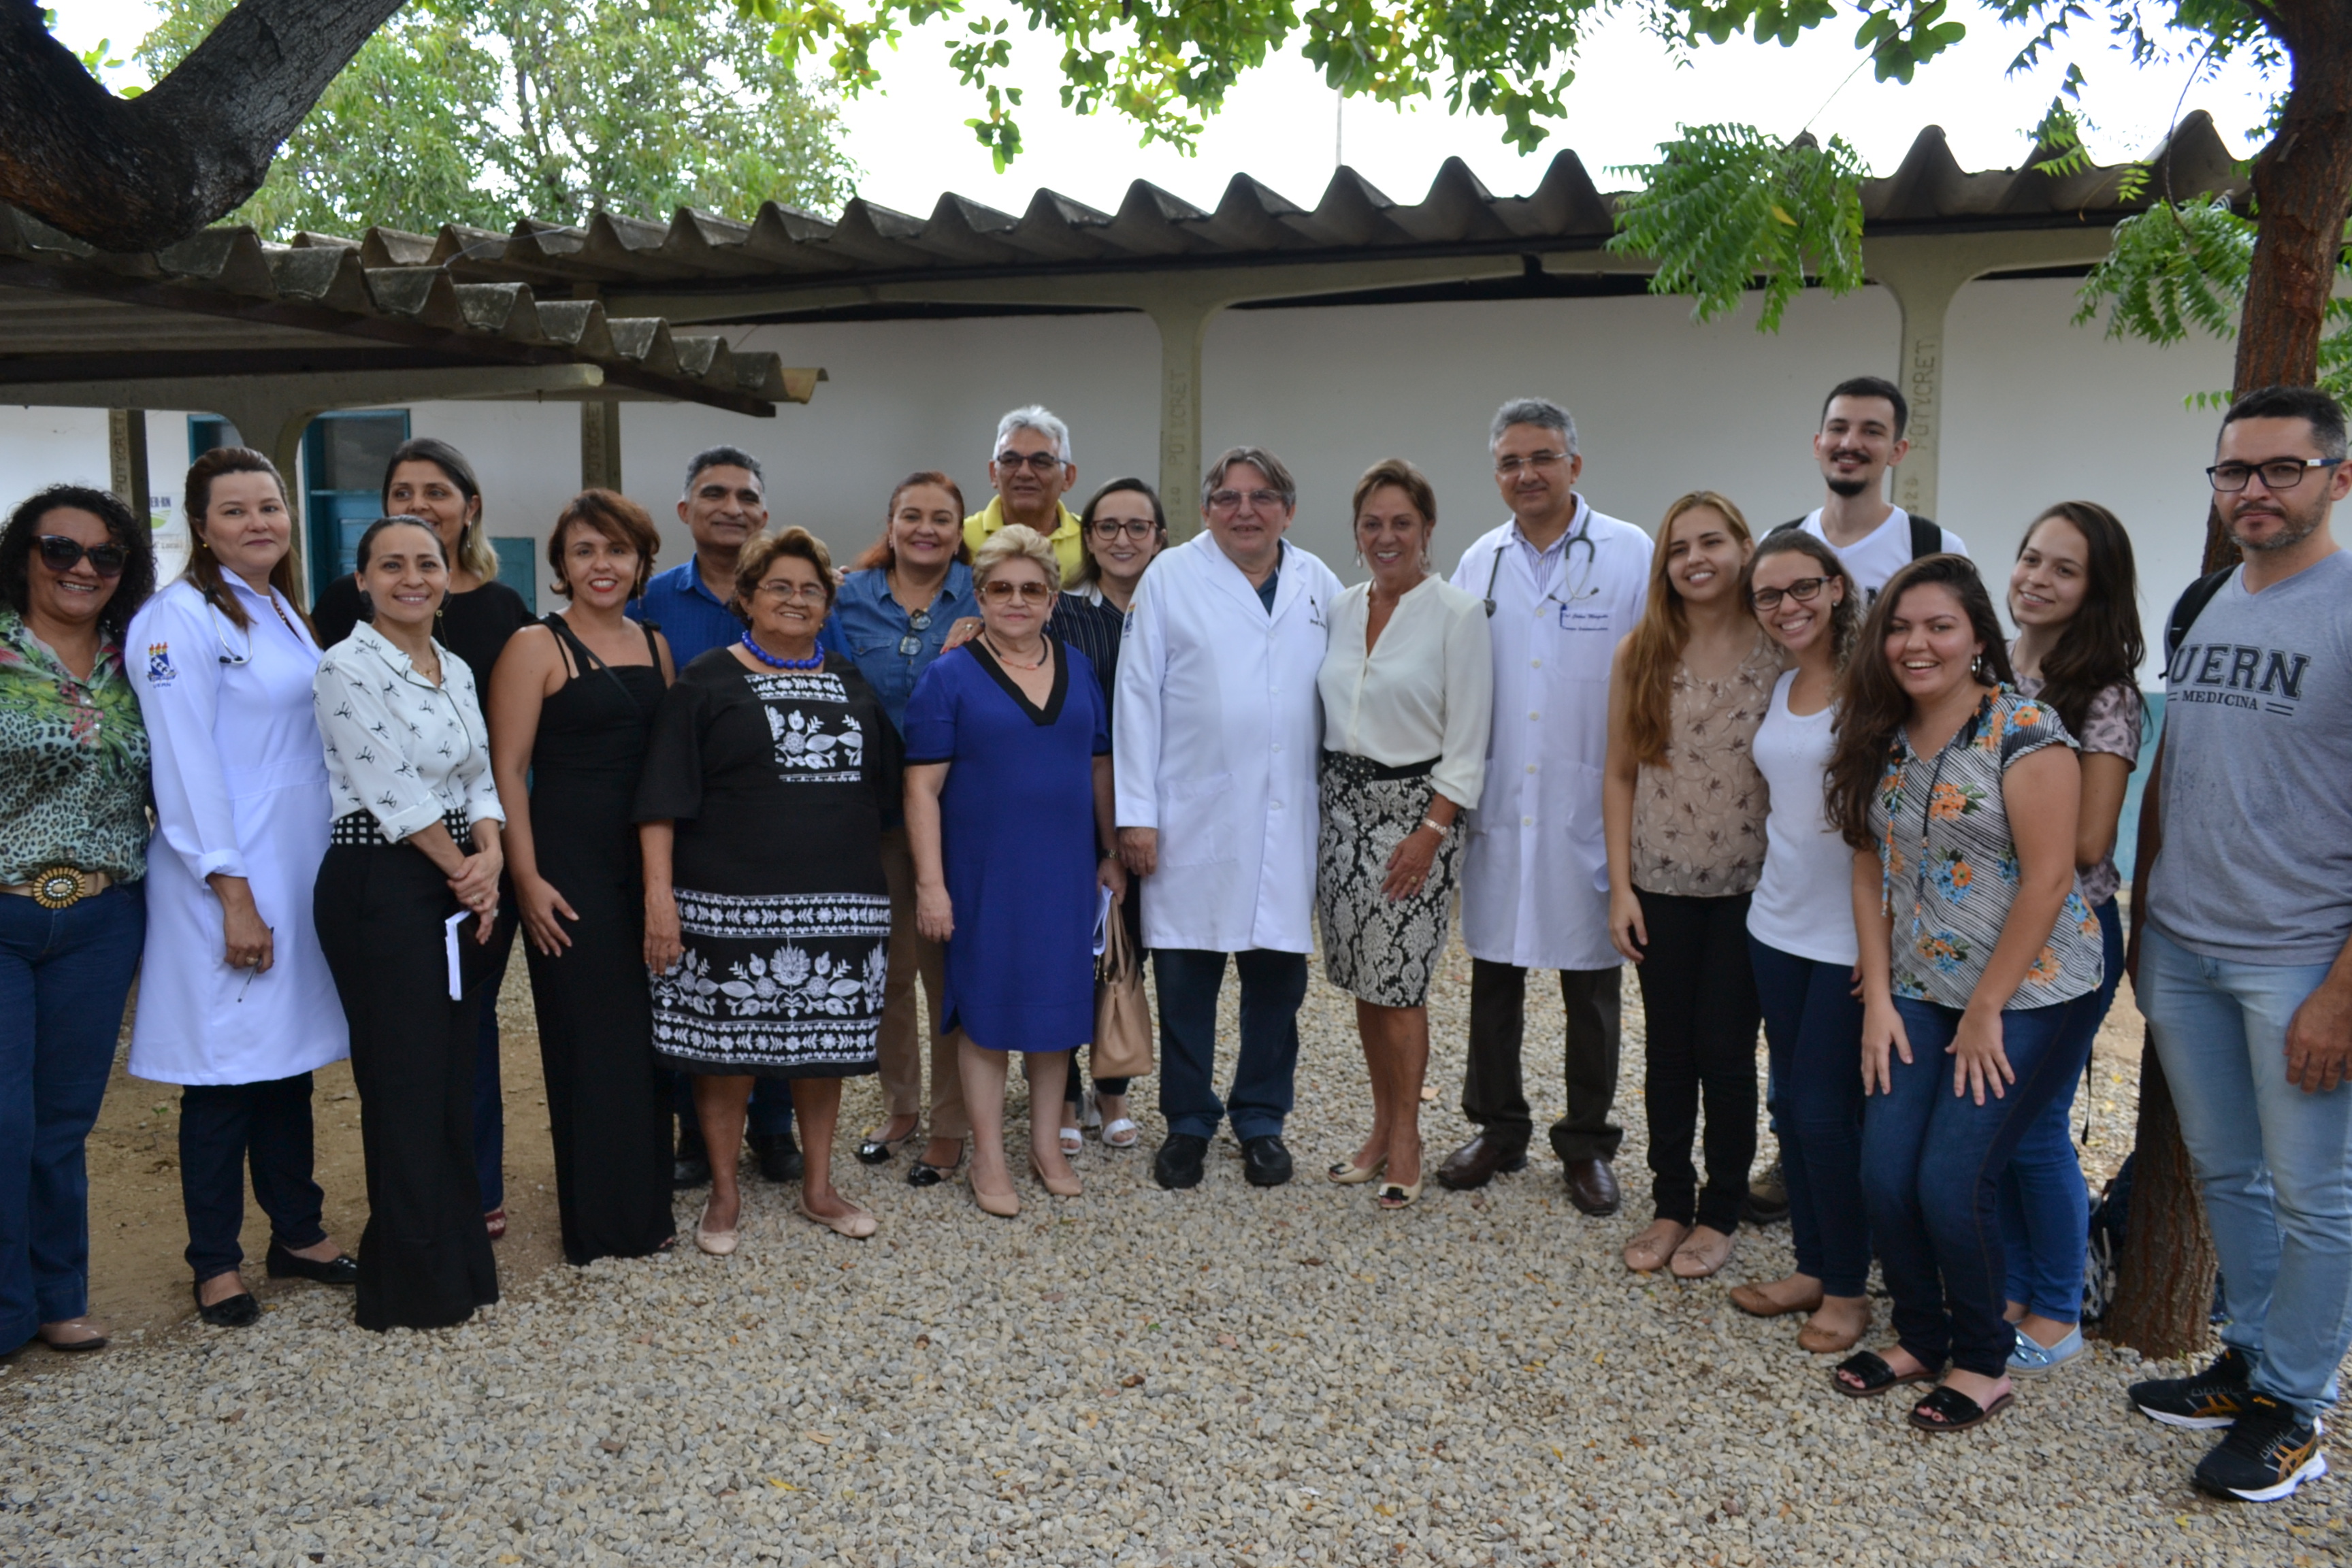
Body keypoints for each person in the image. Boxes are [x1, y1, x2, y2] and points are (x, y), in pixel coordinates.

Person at [2129, 385, 2352, 1503]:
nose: (2253, 490)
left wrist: (2342, 991)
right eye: (2233, 471)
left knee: (2322, 1196)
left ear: (2337, 478)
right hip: (2186, 944)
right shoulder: (2206, 599)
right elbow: (2175, 771)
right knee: (2231, 1174)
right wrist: (2142, 921)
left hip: (2302, 959)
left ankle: (2296, 1406)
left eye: (2280, 468)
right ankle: (2251, 1358)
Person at [1826, 554, 2104, 1434]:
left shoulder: (2026, 733)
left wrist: (1984, 1008)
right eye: (1900, 627)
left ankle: (1982, 1362)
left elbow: (2051, 879)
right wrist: (1876, 997)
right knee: (1883, 1171)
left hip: (2028, 995)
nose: (1918, 643)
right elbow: (1866, 861)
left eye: (1939, 625)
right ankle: (1919, 1333)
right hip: (1916, 985)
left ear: (1977, 635)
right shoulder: (1877, 730)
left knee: (1953, 1182)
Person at [127, 450, 355, 1330]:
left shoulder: (279, 611)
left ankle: (296, 1230)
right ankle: (214, 1261)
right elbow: (183, 769)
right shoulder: (175, 620)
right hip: (226, 875)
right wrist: (232, 892)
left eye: (270, 506)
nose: (258, 522)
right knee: (223, 1078)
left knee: (285, 1065)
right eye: (235, 511)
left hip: (294, 869)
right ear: (200, 523)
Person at [636, 528, 898, 1252]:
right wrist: (661, 899)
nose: (796, 599)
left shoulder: (849, 680)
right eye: (778, 586)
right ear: (746, 598)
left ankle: (818, 1187)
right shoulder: (704, 680)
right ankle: (724, 1194)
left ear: (827, 605)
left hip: (840, 902)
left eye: (811, 589)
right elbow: (662, 797)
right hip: (725, 905)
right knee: (726, 1053)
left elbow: (886, 793)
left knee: (824, 1049)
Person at [312, 438, 532, 1242]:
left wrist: (492, 857)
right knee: (402, 1073)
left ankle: (458, 1229)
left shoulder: (454, 666)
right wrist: (469, 874)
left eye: (427, 566)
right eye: (393, 566)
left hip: (456, 876)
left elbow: (479, 773)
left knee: (451, 1061)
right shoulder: (345, 666)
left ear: (450, 574)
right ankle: (411, 1254)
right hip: (382, 880)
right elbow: (394, 794)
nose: (412, 580)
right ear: (362, 580)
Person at [1441, 398, 1652, 1213]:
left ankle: (1589, 1143)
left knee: (1591, 987)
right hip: (1502, 801)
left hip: (1592, 801)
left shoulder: (1629, 553)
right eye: (1508, 462)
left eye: (1541, 457)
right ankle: (1498, 1128)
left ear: (1575, 465)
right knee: (1494, 978)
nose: (1525, 474)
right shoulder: (1480, 560)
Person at [1116, 446, 1341, 1191]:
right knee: (1186, 980)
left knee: (1277, 986)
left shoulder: (1319, 584)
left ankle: (1261, 1120)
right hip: (1193, 819)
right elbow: (1137, 700)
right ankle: (1186, 1121)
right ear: (1207, 508)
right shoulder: (1171, 576)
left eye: (1263, 496)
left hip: (1289, 819)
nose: (1246, 510)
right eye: (1229, 497)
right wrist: (1137, 817)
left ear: (1289, 508)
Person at [904, 525, 1124, 1216]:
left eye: (1033, 588)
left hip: (1064, 870)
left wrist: (1111, 851)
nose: (1018, 600)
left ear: (1053, 598)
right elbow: (920, 790)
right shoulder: (949, 676)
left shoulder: (1077, 668)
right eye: (1002, 588)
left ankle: (1047, 1148)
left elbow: (1098, 765)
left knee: (1056, 1012)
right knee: (988, 1016)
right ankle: (991, 1158)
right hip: (984, 874)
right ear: (981, 596)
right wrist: (931, 886)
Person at [488, 491, 677, 1266]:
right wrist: (524, 878)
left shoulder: (659, 645)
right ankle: (599, 1227)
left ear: (641, 562)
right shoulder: (536, 644)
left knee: (645, 1040)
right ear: (561, 565)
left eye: (618, 551)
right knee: (590, 1040)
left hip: (649, 862)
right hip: (568, 865)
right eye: (585, 551)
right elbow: (507, 771)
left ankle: (648, 1209)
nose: (603, 565)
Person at [1603, 493, 1778, 1279]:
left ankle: (1722, 1210)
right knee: (1670, 1051)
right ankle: (1671, 1201)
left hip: (1754, 890)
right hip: (1662, 882)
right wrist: (1621, 887)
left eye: (1712, 542)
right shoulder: (1643, 651)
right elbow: (1617, 773)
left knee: (1727, 1049)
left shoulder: (1782, 649)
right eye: (1679, 549)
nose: (1696, 559)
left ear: (1745, 547)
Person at [0, 485, 155, 1355]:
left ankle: (59, 1296)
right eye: (61, 550)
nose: (83, 569)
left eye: (105, 556)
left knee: (62, 1122)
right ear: (25, 553)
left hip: (99, 919)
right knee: (3, 1119)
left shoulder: (134, 661)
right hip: (3, 915)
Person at [1313, 460, 1491, 1211]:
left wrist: (1430, 833)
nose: (1387, 537)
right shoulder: (1343, 606)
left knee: (1401, 982)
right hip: (1342, 810)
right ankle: (1379, 1128)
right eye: (1372, 524)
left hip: (1415, 815)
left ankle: (1410, 1135)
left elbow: (1469, 737)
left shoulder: (1458, 613)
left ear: (1426, 530)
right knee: (1361, 977)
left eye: (1401, 524)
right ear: (1356, 534)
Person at [630, 446, 802, 1189]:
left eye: (746, 496)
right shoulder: (653, 602)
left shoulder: (795, 593)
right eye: (713, 494)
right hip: (684, 818)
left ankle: (773, 1127)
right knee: (693, 981)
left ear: (765, 512)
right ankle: (695, 1139)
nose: (731, 507)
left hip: (773, 822)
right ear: (685, 512)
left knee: (778, 976)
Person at [1998, 502, 2144, 1377]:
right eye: (2029, 558)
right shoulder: (1985, 664)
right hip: (1977, 931)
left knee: (2036, 1125)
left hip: (2068, 936)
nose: (2036, 579)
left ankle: (2056, 1310)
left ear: (2096, 589)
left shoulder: (2104, 691)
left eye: (2063, 568)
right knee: (1993, 1123)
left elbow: (2088, 842)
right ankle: (2013, 1287)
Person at [1731, 529, 1871, 1352]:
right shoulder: (1783, 687)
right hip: (1774, 925)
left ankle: (1849, 1289)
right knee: (1792, 1105)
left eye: (1802, 588)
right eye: (1770, 596)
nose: (1788, 607)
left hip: (1849, 936)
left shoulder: (1876, 688)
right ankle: (1814, 1266)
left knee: (1825, 1114)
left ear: (1838, 588)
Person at [817, 474, 977, 1187]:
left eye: (941, 519)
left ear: (959, 528)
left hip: (961, 816)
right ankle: (900, 1106)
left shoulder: (984, 592)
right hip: (873, 812)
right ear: (890, 523)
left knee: (949, 976)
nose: (926, 529)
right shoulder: (847, 597)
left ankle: (950, 1124)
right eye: (911, 515)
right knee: (890, 974)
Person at [1048, 478, 1169, 1153]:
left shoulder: (1179, 607)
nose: (1122, 539)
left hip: (1159, 808)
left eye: (1138, 527)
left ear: (1160, 536)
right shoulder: (1060, 613)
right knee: (1073, 951)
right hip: (1077, 810)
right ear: (1088, 537)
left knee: (1130, 951)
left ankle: (1113, 1086)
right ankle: (1062, 1090)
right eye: (1107, 527)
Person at [1782, 376, 1970, 600]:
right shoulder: (1776, 546)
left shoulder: (1938, 549)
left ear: (1897, 451)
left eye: (1872, 432)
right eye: (1838, 428)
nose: (1849, 443)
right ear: (1817, 444)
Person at [963, 406, 1085, 586]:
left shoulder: (1091, 542)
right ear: (993, 473)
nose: (1024, 473)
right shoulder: (961, 539)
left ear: (1068, 476)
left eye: (1041, 462)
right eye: (1011, 461)